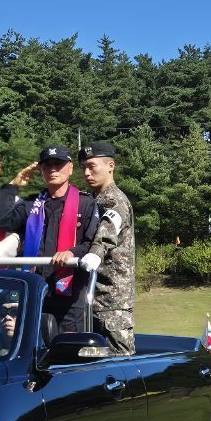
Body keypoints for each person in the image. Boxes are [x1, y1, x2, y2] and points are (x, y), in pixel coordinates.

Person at [0, 144, 99, 336]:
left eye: (58, 164)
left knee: (67, 355)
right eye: (47, 166)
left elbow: (91, 243)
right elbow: (2, 220)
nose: (52, 170)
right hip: (36, 294)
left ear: (70, 168)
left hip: (70, 298)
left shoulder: (86, 203)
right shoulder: (32, 203)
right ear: (41, 170)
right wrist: (13, 186)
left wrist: (72, 253)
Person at [78, 141, 136, 355]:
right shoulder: (89, 200)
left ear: (110, 165)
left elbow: (107, 232)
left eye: (92, 166)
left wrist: (94, 254)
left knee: (119, 364)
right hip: (88, 297)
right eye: (83, 167)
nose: (86, 172)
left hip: (112, 301)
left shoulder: (115, 201)